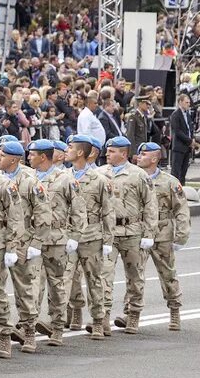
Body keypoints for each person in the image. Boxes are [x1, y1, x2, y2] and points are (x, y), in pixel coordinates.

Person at [0, 139, 50, 353]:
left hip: (22, 240)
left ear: (15, 159)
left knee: (24, 288)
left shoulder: (30, 180)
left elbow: (43, 213)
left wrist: (36, 242)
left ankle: (29, 330)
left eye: (3, 154)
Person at [27, 139, 86, 345]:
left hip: (56, 239)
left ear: (43, 157)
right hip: (32, 239)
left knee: (57, 284)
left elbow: (79, 209)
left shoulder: (64, 179)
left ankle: (57, 326)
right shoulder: (28, 177)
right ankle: (29, 329)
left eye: (32, 154)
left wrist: (75, 237)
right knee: (31, 285)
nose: (28, 157)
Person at [98, 136, 158, 334]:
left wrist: (149, 232)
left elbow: (150, 204)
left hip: (132, 232)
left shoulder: (139, 175)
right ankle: (103, 316)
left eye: (112, 151)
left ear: (123, 153)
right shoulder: (100, 173)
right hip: (109, 233)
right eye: (107, 150)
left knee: (134, 275)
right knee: (104, 275)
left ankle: (133, 314)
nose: (107, 153)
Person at [136, 141, 189, 331]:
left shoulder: (170, 182)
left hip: (162, 233)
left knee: (168, 274)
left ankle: (174, 310)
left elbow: (181, 209)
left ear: (154, 158)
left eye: (143, 154)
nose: (139, 157)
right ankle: (131, 313)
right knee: (134, 275)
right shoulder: (135, 178)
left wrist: (181, 236)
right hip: (140, 233)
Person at [65, 135, 114, 338]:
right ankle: (64, 319)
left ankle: (98, 320)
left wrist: (108, 240)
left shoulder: (100, 180)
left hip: (91, 236)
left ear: (80, 153)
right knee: (65, 280)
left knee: (94, 279)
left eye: (70, 147)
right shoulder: (63, 177)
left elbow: (108, 211)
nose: (66, 151)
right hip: (67, 236)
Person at [168, 93, 194, 185]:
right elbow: (177, 131)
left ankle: (182, 190)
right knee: (176, 172)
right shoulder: (175, 115)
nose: (188, 104)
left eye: (189, 102)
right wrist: (190, 140)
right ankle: (173, 190)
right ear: (180, 102)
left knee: (183, 171)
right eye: (186, 102)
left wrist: (192, 139)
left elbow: (190, 128)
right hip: (179, 147)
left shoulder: (187, 114)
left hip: (187, 147)